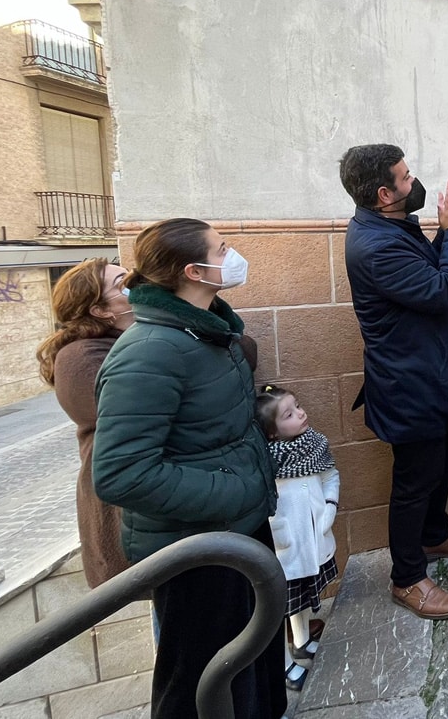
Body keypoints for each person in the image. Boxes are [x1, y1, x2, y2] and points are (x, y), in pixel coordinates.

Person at [93, 218, 284, 719]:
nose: (234, 255)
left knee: (249, 667)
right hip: (198, 549)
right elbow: (121, 473)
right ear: (194, 270)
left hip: (235, 533)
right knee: (199, 681)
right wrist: (236, 492)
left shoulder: (204, 333)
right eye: (223, 249)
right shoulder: (148, 352)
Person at [340, 144, 448, 621]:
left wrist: (444, 236)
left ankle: (434, 533)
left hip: (436, 374)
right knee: (415, 479)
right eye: (405, 178)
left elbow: (429, 274)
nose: (414, 182)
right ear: (385, 194)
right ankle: (407, 578)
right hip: (411, 383)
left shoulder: (389, 223)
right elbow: (443, 290)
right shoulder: (378, 245)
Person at [36, 258, 134, 589]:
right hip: (125, 499)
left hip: (147, 496)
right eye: (121, 282)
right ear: (100, 310)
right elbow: (135, 414)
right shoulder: (80, 357)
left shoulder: (133, 337)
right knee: (169, 596)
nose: (134, 283)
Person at [256, 385, 340, 693]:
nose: (301, 413)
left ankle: (302, 641)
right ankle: (283, 665)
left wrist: (330, 505)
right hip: (286, 548)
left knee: (302, 600)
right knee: (277, 608)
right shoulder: (270, 460)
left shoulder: (315, 446)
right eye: (289, 414)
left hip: (314, 538)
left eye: (298, 406)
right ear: (273, 432)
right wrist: (280, 533)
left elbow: (330, 475)